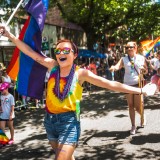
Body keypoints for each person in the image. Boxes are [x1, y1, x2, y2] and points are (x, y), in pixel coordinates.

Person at [0, 27, 149, 160]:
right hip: (49, 121)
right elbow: (29, 52)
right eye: (58, 51)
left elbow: (111, 84)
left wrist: (141, 90)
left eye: (66, 50)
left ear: (74, 54)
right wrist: (10, 35)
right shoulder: (53, 66)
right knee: (68, 156)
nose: (61, 53)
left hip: (69, 122)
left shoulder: (81, 73)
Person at [110, 41, 148, 135]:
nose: (129, 49)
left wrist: (144, 70)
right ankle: (133, 126)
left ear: (135, 48)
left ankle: (142, 116)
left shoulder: (141, 58)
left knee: (138, 107)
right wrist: (114, 67)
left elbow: (146, 70)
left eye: (130, 47)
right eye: (127, 47)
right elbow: (118, 66)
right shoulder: (124, 59)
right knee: (130, 105)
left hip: (138, 84)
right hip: (127, 84)